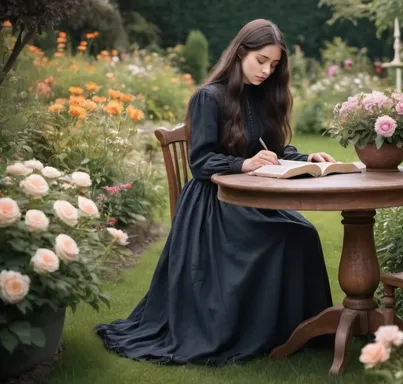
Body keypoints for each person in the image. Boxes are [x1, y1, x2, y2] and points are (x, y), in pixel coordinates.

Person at [95, 19, 335, 365]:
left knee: (303, 233)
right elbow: (202, 163)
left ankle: (294, 332)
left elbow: (274, 148)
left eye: (274, 64)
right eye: (261, 61)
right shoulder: (208, 98)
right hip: (215, 203)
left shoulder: (262, 95)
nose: (267, 71)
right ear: (241, 53)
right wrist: (244, 165)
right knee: (282, 238)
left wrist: (307, 158)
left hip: (252, 199)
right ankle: (259, 331)